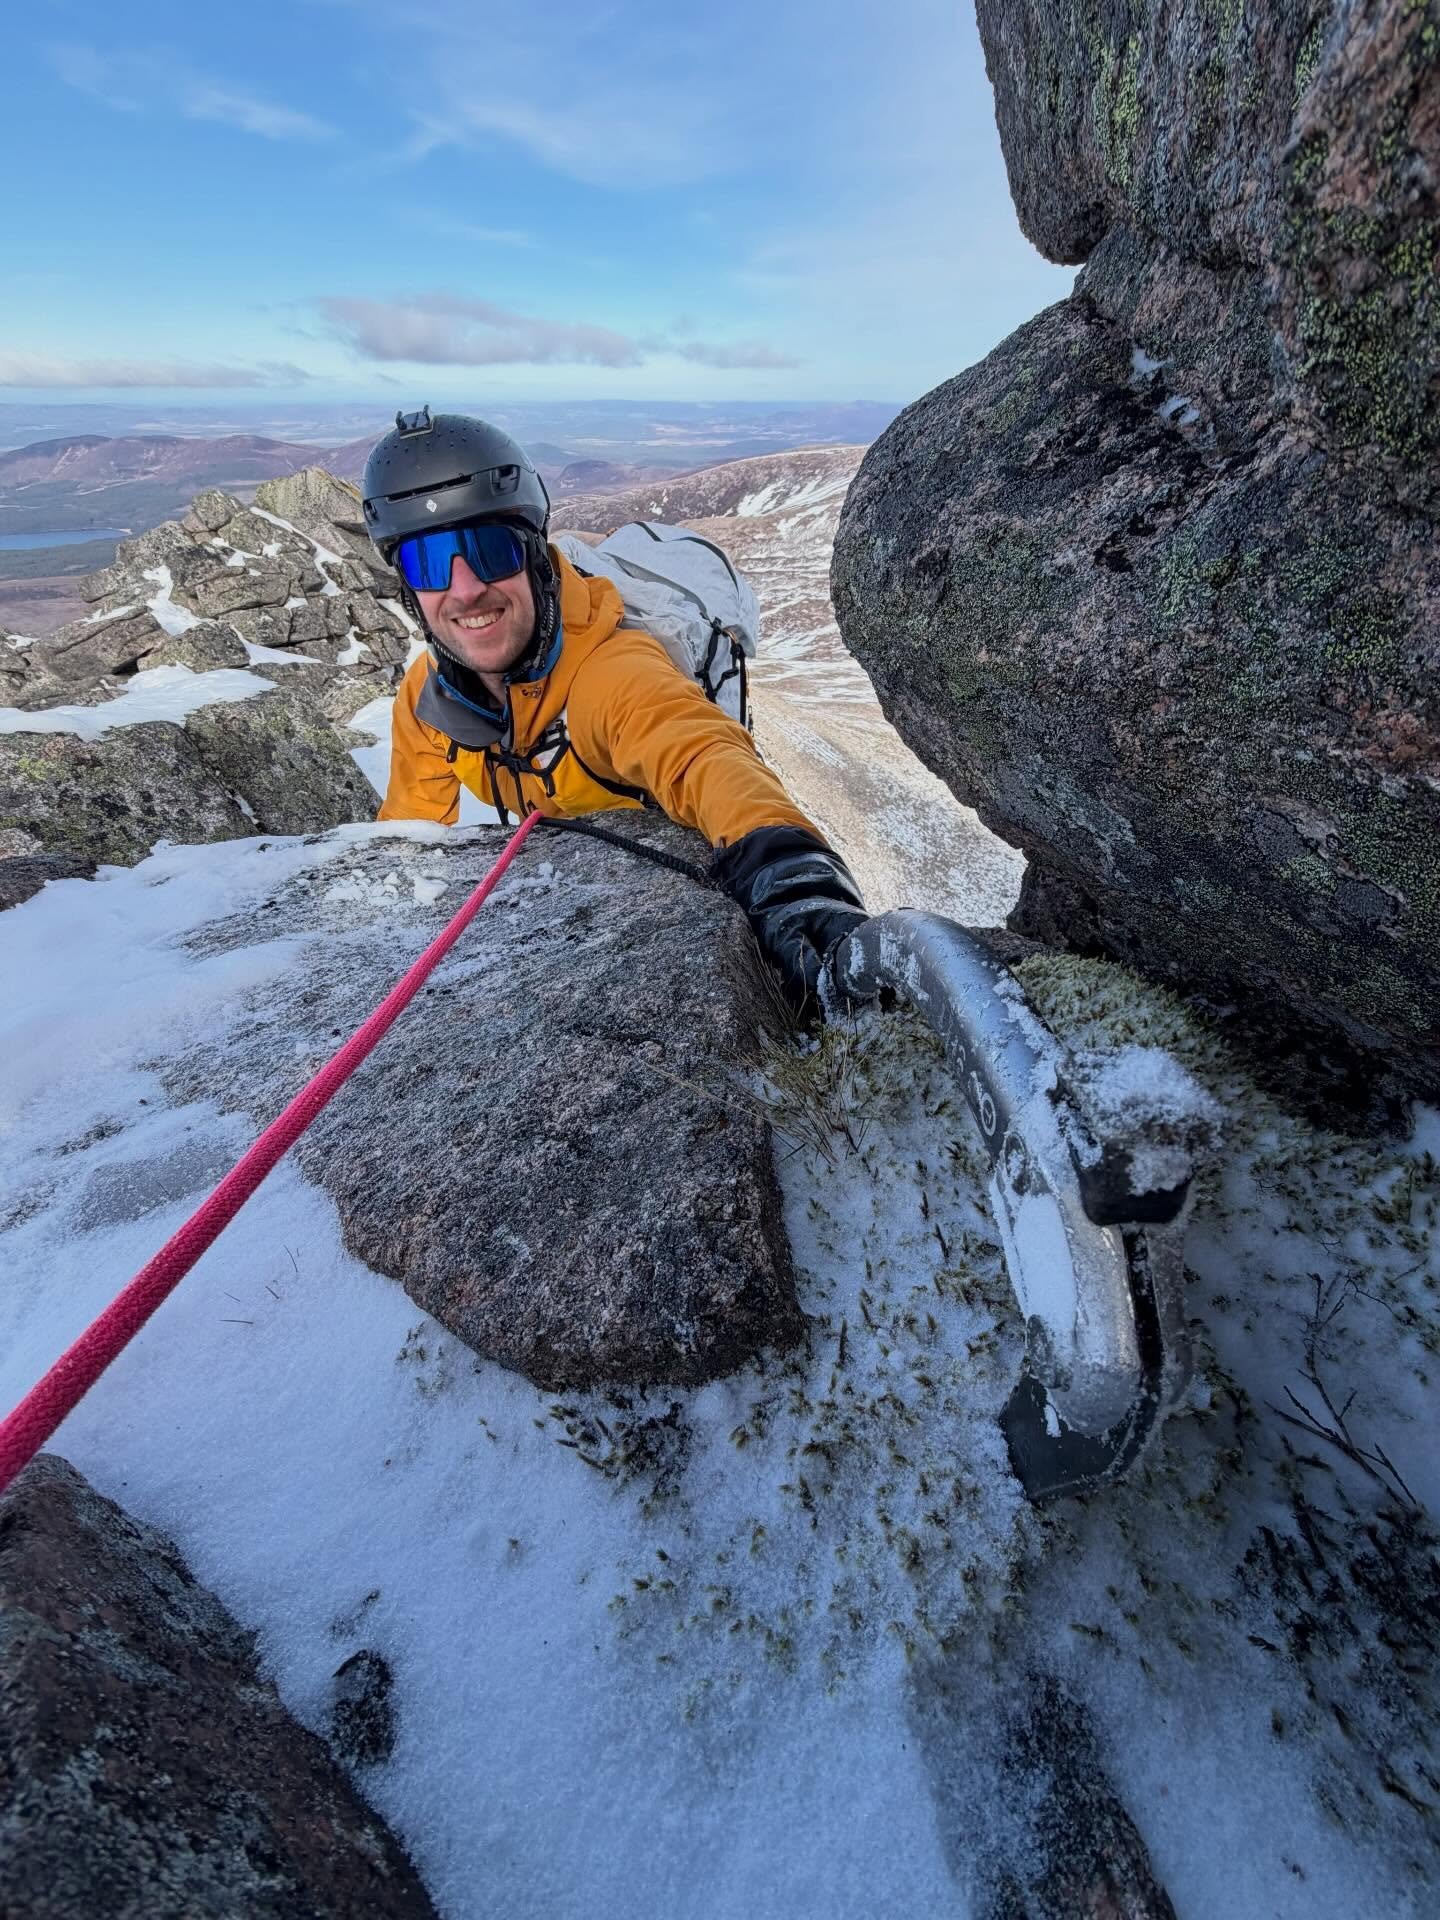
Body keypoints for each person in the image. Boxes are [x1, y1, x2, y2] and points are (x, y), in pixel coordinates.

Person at [363, 408, 866, 1010]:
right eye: (428, 563)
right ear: (409, 592)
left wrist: (795, 881)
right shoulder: (427, 698)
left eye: (490, 551)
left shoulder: (610, 672)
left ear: (533, 554)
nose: (466, 588)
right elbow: (411, 836)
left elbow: (702, 754)